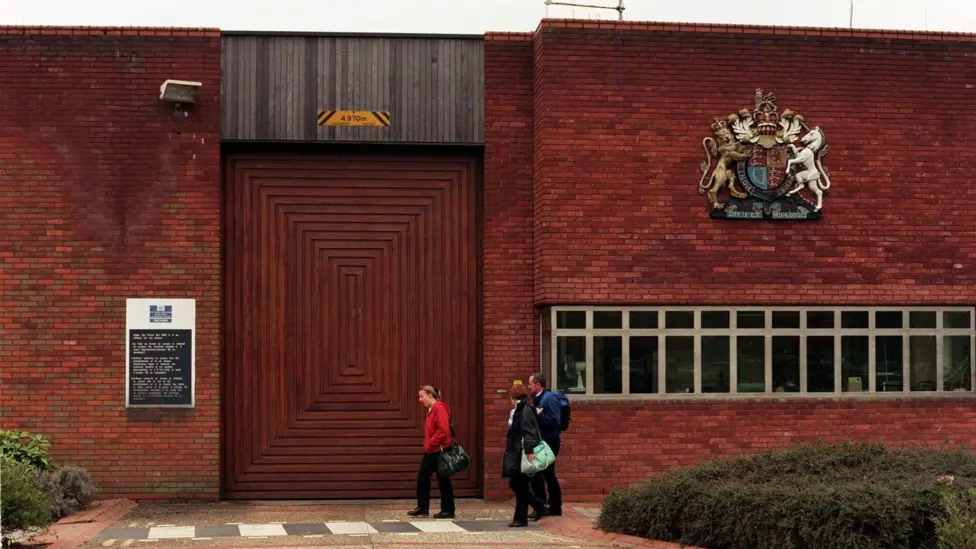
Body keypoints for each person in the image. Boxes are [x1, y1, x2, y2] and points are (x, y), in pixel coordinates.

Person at [503, 383, 548, 527]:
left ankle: (539, 505)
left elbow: (528, 431)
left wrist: (529, 450)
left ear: (513, 397)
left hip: (522, 452)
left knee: (516, 483)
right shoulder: (521, 409)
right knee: (520, 484)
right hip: (518, 451)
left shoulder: (524, 410)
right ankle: (520, 518)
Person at [409, 385, 455, 519]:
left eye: (421, 396)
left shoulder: (439, 408)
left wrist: (430, 443)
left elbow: (444, 430)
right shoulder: (432, 409)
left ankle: (446, 510)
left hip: (438, 450)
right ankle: (425, 508)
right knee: (427, 478)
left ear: (430, 395)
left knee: (440, 479)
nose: (420, 399)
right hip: (433, 449)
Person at [528, 372, 563, 518]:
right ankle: (552, 507)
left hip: (550, 441)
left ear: (538, 385)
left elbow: (556, 421)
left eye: (530, 384)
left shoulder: (549, 399)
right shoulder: (538, 398)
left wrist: (539, 415)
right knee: (547, 474)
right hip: (543, 441)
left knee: (539, 473)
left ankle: (544, 505)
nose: (528, 386)